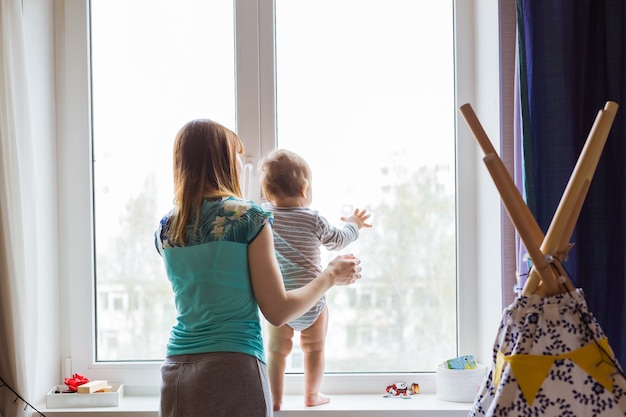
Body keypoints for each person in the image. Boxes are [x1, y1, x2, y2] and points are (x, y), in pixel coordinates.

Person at [154, 119, 362, 417]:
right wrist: (330, 274)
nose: (241, 164)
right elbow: (278, 312)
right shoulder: (247, 218)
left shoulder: (165, 229)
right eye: (237, 157)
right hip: (234, 368)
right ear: (224, 162)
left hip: (176, 370)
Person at [259, 149, 372, 411]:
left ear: (267, 192)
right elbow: (338, 240)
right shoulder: (313, 219)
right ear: (304, 189)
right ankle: (312, 394)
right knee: (314, 350)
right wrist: (354, 224)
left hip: (280, 301)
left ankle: (274, 401)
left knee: (276, 353)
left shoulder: (264, 217)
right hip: (312, 301)